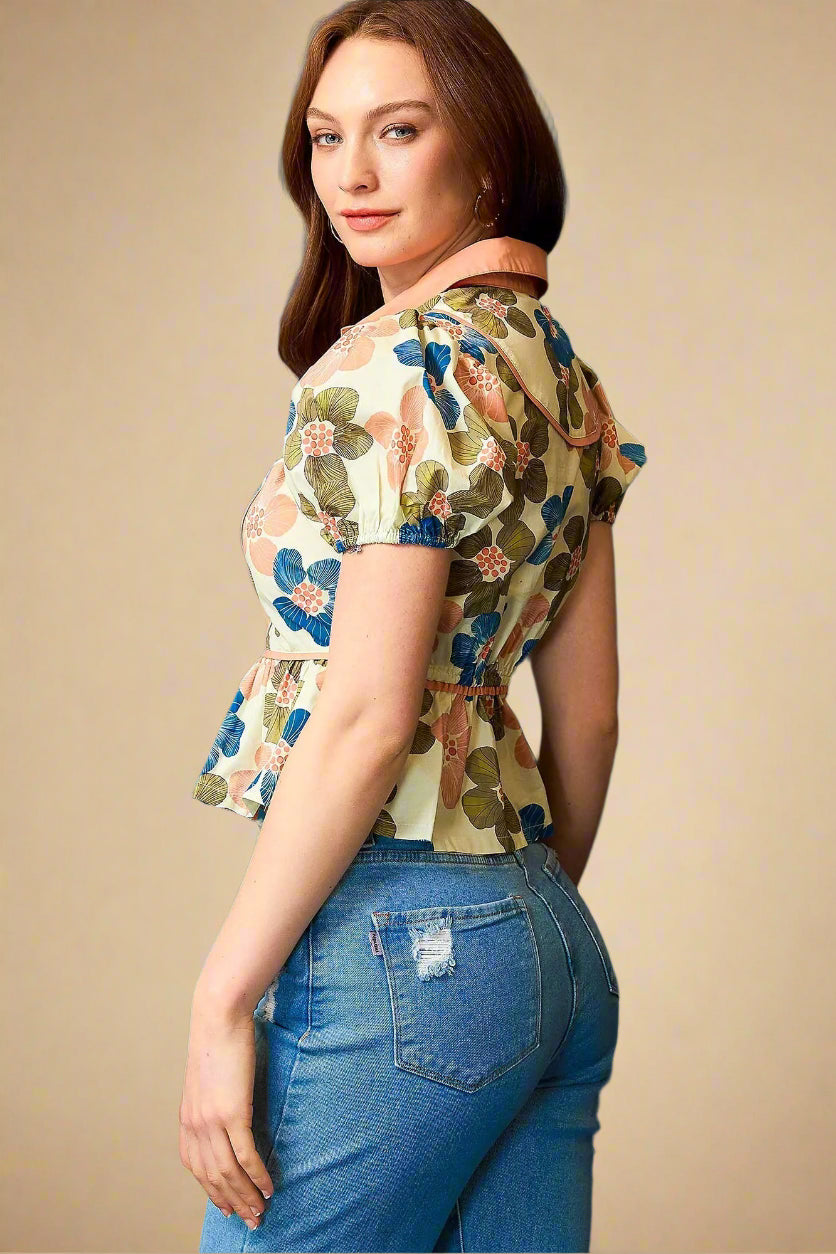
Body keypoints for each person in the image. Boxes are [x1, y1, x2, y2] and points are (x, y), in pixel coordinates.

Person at [180, 3, 647, 1251]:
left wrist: (220, 999)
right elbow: (588, 714)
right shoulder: (556, 371)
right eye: (327, 137)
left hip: (399, 938)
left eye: (399, 129)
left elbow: (372, 712)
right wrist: (518, 924)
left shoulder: (393, 372)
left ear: (487, 152)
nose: (353, 173)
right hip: (543, 941)